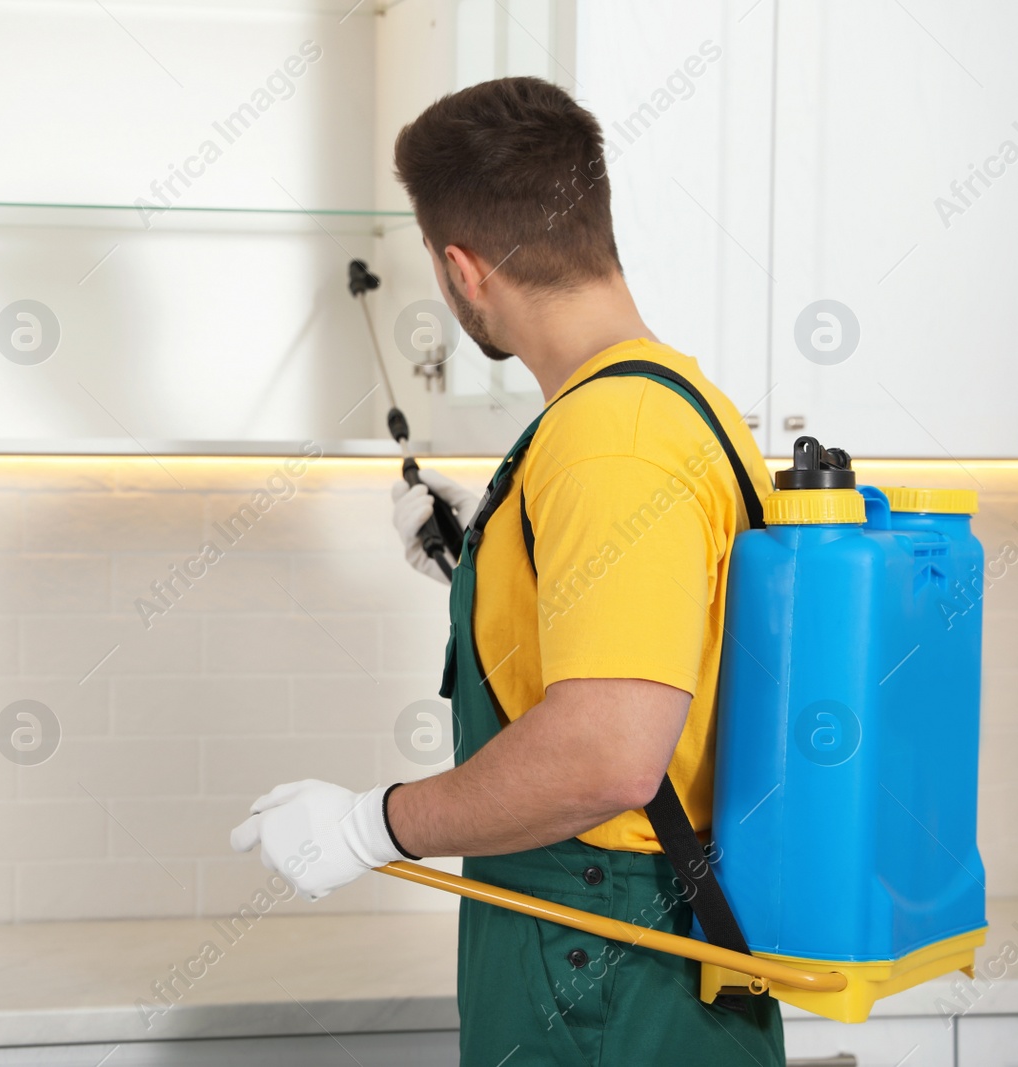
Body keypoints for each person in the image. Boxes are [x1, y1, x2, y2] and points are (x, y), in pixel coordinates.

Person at [230, 77, 784, 1066]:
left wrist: (371, 823)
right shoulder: (669, 403)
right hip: (606, 949)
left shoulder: (610, 441)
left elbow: (607, 754)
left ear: (459, 268)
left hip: (605, 965)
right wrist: (486, 559)